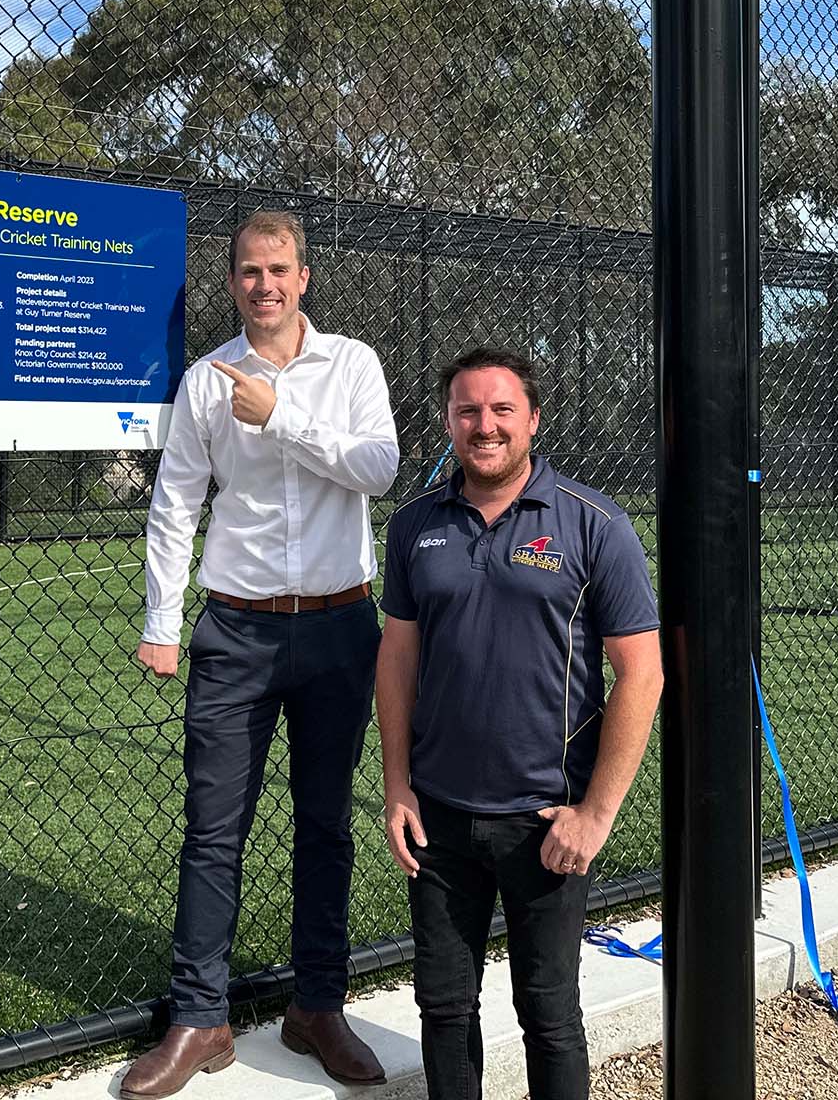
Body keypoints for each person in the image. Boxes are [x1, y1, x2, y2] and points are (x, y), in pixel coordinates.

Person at [122, 209, 401, 1098]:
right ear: (232, 280)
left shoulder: (351, 364)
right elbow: (175, 504)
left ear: (304, 276)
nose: (264, 285)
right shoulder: (206, 382)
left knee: (326, 824)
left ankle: (317, 1006)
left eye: (278, 270)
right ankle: (199, 1017)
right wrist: (161, 622)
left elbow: (380, 468)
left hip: (339, 625)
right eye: (249, 272)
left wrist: (281, 417)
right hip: (235, 629)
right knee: (214, 831)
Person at [377, 347, 661, 1100]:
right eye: (468, 410)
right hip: (438, 814)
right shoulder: (413, 527)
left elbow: (643, 672)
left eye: (502, 410)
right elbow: (397, 662)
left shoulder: (594, 523)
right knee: (443, 1007)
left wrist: (596, 814)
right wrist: (397, 786)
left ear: (533, 419)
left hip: (546, 818)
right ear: (447, 421)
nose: (485, 425)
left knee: (548, 1012)